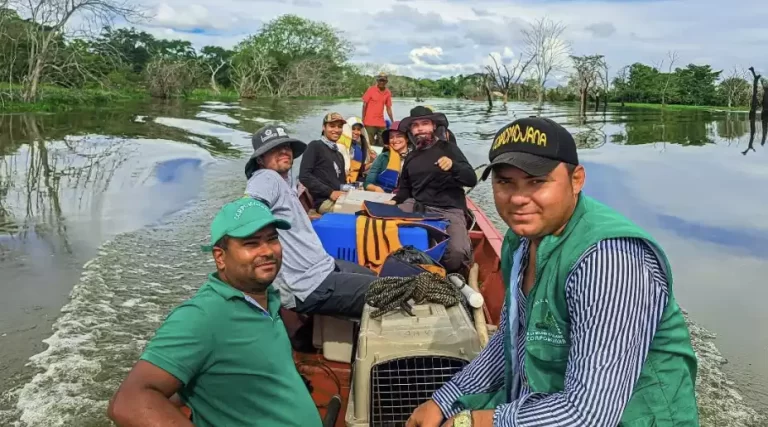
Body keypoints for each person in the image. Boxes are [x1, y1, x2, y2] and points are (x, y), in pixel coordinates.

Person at [407, 117, 699, 427]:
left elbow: (589, 414)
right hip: (548, 400)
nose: (518, 199)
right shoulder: (519, 240)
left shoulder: (607, 260)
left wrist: (474, 421)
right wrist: (444, 400)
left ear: (577, 180)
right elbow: (511, 338)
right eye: (505, 182)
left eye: (537, 181)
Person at [107, 198, 323, 427]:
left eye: (272, 239)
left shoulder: (267, 298)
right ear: (220, 257)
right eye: (251, 243)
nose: (267, 251)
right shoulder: (202, 316)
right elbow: (127, 402)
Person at [244, 124, 378, 318]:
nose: (283, 151)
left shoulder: (285, 181)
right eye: (273, 149)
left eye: (286, 147)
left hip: (322, 266)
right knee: (388, 292)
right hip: (307, 285)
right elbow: (249, 209)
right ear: (260, 159)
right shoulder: (266, 178)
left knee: (376, 279)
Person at [392, 106, 477, 273]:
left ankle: (446, 275)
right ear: (411, 130)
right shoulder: (410, 157)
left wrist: (453, 166)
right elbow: (404, 191)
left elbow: (471, 179)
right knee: (381, 228)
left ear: (433, 127)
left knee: (457, 253)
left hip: (449, 209)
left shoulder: (448, 148)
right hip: (417, 206)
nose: (420, 128)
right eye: (415, 125)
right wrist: (392, 203)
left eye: (425, 123)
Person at [299, 112, 348, 214]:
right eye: (332, 126)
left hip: (340, 199)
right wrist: (330, 192)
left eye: (339, 127)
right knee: (359, 213)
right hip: (324, 202)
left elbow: (342, 184)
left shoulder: (339, 155)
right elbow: (304, 176)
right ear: (323, 127)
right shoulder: (315, 146)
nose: (336, 130)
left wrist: (352, 190)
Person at [364, 120, 412, 193]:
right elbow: (368, 183)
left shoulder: (415, 157)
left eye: (399, 136)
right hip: (385, 195)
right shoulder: (382, 157)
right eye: (391, 137)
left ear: (407, 139)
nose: (395, 140)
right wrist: (376, 189)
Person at [362, 72, 394, 146]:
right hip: (369, 122)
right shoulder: (371, 90)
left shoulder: (387, 92)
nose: (381, 82)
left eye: (383, 80)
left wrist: (393, 121)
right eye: (380, 80)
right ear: (377, 81)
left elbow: (388, 108)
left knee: (383, 142)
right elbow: (364, 105)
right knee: (368, 144)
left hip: (381, 122)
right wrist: (363, 119)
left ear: (386, 82)